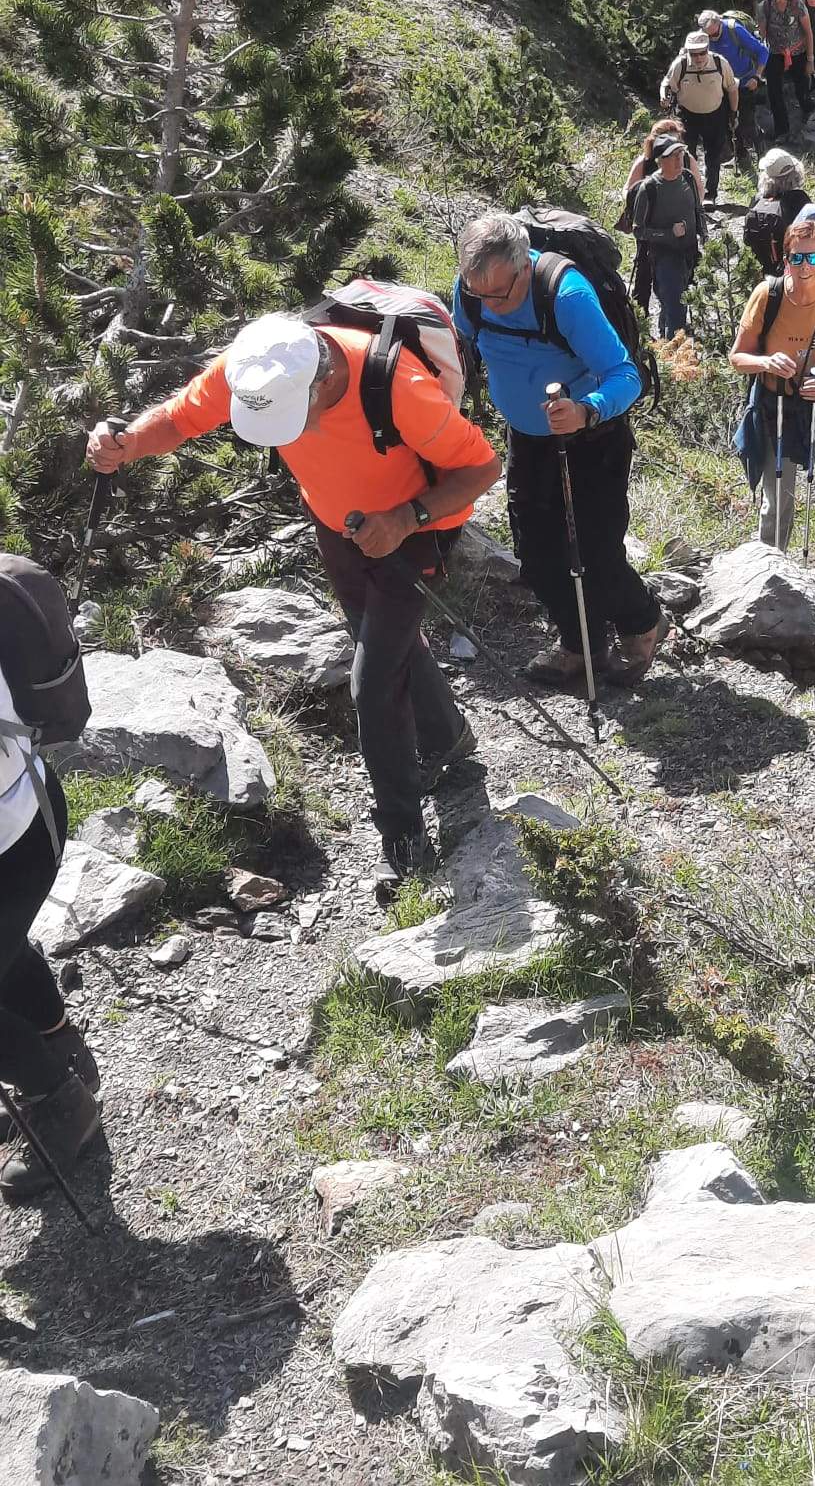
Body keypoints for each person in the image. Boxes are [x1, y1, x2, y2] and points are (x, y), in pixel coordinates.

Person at [88, 314, 502, 900]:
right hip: (337, 525)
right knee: (382, 644)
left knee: (372, 683)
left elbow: (483, 466)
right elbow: (182, 417)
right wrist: (126, 443)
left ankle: (403, 841)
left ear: (320, 380)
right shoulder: (251, 367)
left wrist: (407, 519)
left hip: (412, 534)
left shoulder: (399, 388)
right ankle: (451, 737)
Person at [453, 212, 667, 689]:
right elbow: (461, 343)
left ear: (524, 267)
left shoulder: (566, 296)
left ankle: (642, 620)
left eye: (501, 294)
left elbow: (625, 376)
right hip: (528, 439)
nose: (492, 305)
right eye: (480, 294)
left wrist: (586, 410)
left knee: (595, 549)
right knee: (536, 553)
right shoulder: (473, 290)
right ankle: (580, 646)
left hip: (592, 439)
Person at [0, 690, 99, 1201]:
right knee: (6, 947)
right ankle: (60, 1053)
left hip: (13, 836)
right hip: (27, 812)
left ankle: (61, 1100)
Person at [730, 217, 815, 572]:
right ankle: (769, 576)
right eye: (796, 258)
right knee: (777, 502)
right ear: (785, 258)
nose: (804, 267)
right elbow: (738, 358)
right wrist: (766, 362)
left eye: (812, 258)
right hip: (777, 411)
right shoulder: (768, 295)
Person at [632, 138, 706, 338]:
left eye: (680, 155)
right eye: (673, 156)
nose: (678, 160)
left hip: (690, 252)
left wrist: (704, 234)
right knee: (676, 306)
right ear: (660, 161)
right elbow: (638, 230)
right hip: (665, 257)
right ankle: (676, 353)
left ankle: (666, 343)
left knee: (675, 304)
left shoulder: (688, 178)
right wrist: (667, 233)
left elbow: (697, 209)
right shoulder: (649, 189)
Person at [660, 29, 737, 202]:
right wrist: (663, 96)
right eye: (694, 54)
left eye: (702, 52)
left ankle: (710, 194)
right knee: (686, 155)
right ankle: (690, 193)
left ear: (708, 49)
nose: (699, 58)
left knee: (713, 156)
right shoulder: (680, 65)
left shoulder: (719, 63)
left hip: (715, 115)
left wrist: (733, 112)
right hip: (687, 116)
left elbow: (732, 88)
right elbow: (667, 83)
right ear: (688, 52)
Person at [700, 9, 769, 171]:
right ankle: (741, 157)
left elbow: (762, 51)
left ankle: (763, 155)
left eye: (714, 33)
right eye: (708, 35)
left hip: (744, 83)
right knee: (727, 123)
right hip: (721, 87)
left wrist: (757, 77)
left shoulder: (734, 30)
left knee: (747, 122)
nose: (711, 38)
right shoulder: (702, 36)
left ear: (718, 23)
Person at [759, 0, 815, 139]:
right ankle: (782, 130)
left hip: (798, 51)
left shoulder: (797, 5)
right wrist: (760, 63)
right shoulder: (765, 7)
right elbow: (762, 35)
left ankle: (809, 114)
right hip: (775, 52)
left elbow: (808, 32)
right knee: (774, 91)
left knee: (802, 86)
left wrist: (810, 60)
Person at [741, 150, 811, 274]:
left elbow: (747, 240)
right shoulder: (800, 199)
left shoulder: (758, 200)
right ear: (795, 174)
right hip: (792, 268)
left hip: (761, 268)